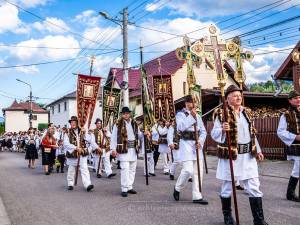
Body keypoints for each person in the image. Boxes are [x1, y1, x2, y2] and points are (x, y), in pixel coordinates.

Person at [211, 85, 268, 225]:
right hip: (232, 157)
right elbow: (214, 134)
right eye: (235, 95)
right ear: (227, 98)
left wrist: (258, 150)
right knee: (228, 186)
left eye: (239, 95)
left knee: (254, 186)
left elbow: (252, 133)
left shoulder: (246, 112)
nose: (238, 97)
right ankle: (228, 217)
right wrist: (222, 130)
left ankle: (259, 220)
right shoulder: (221, 113)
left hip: (248, 156)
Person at [173, 95, 208, 205]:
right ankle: (177, 188)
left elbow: (203, 131)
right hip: (186, 145)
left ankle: (197, 196)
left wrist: (200, 142)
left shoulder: (198, 115)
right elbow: (180, 127)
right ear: (185, 104)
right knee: (188, 170)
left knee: (197, 172)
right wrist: (191, 117)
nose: (190, 104)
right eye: (188, 102)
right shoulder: (180, 114)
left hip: (196, 146)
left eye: (192, 102)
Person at [110, 107, 143, 197]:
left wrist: (144, 133)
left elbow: (139, 135)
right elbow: (113, 137)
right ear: (122, 114)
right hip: (123, 148)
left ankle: (129, 186)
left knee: (132, 169)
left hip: (133, 149)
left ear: (129, 114)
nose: (126, 115)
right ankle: (124, 188)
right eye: (124, 113)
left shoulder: (134, 123)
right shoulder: (118, 124)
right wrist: (113, 149)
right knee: (125, 169)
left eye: (127, 113)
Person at [63, 116, 99, 192]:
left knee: (84, 169)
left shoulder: (83, 131)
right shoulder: (67, 132)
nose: (72, 123)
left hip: (82, 154)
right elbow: (66, 143)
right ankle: (70, 183)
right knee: (71, 170)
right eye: (71, 122)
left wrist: (91, 134)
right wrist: (76, 148)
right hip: (72, 153)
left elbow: (90, 140)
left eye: (74, 122)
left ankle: (88, 184)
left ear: (77, 123)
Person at [277, 90, 300, 202]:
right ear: (290, 100)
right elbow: (280, 132)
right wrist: (295, 136)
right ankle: (290, 194)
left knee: (297, 169)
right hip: (296, 146)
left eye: (299, 97)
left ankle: (290, 194)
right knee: (298, 168)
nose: (298, 100)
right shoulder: (285, 114)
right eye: (295, 98)